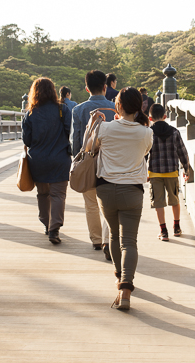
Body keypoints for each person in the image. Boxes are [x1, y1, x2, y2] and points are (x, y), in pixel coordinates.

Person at [95, 87, 153, 310]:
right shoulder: (146, 133)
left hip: (106, 189)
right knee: (129, 241)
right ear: (139, 107)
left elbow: (91, 148)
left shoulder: (105, 128)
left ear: (117, 106)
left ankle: (119, 278)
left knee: (114, 236)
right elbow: (145, 152)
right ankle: (126, 288)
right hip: (132, 192)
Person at [71, 70, 116, 258]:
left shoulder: (78, 110)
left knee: (90, 203)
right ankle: (108, 239)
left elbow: (76, 143)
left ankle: (96, 240)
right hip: (111, 162)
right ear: (105, 87)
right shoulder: (115, 108)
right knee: (109, 203)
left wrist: (76, 161)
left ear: (87, 87)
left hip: (89, 161)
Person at [22, 77, 72, 245]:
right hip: (60, 159)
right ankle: (54, 228)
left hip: (39, 160)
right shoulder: (62, 110)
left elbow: (26, 140)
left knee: (43, 194)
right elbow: (68, 132)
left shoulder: (30, 113)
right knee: (58, 195)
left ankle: (46, 223)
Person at [148, 103, 190, 241]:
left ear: (150, 118)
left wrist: (144, 172)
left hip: (154, 173)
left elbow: (143, 153)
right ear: (165, 116)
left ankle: (163, 231)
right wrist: (186, 168)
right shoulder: (174, 132)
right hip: (171, 171)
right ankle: (176, 227)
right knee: (174, 199)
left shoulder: (148, 133)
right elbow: (182, 151)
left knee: (158, 202)